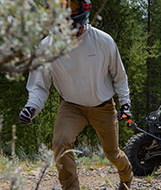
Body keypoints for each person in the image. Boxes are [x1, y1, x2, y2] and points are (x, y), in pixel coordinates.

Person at [19, 1, 133, 189]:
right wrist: (32, 107)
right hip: (71, 106)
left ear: (83, 7)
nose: (65, 11)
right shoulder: (46, 47)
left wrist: (125, 105)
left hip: (103, 106)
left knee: (112, 153)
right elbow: (39, 85)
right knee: (60, 143)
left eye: (70, 5)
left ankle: (127, 175)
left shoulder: (103, 41)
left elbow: (119, 76)